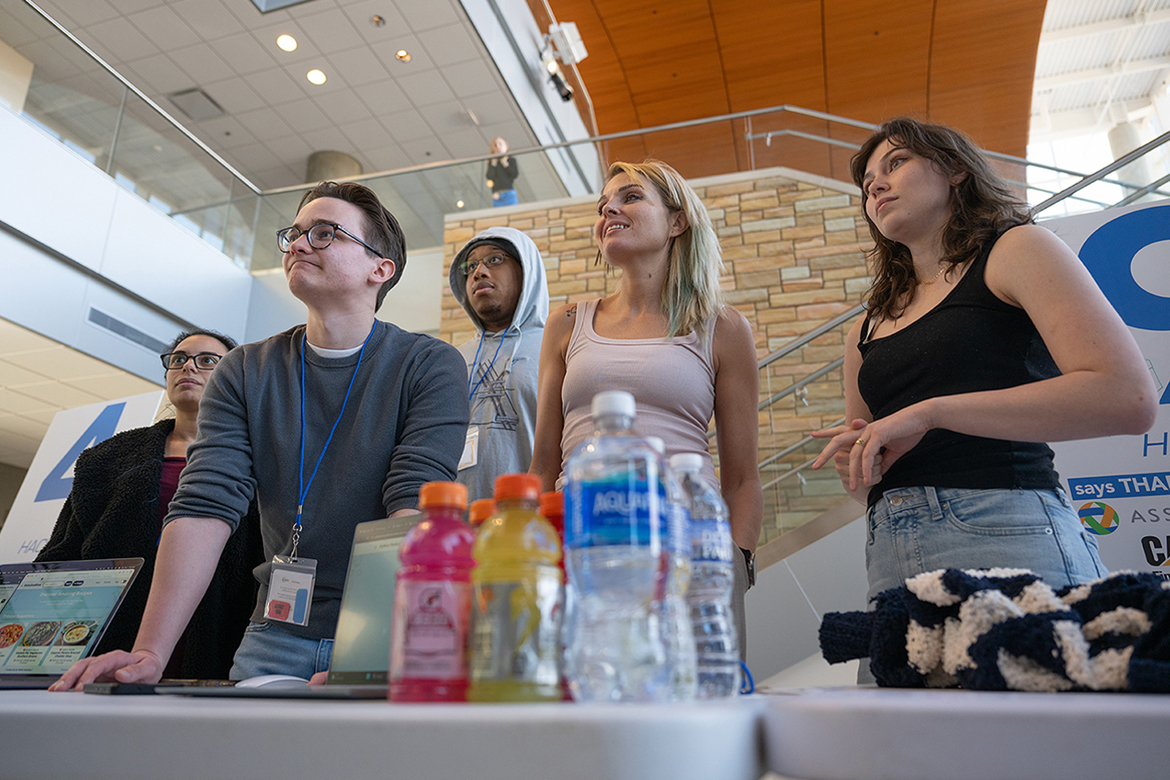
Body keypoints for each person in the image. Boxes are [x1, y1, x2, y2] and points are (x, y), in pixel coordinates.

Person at [51, 181, 469, 689]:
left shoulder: (429, 365)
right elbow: (206, 503)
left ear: (380, 269)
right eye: (293, 233)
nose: (297, 243)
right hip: (276, 631)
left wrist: (386, 648)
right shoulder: (244, 368)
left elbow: (416, 506)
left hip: (379, 627)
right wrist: (149, 653)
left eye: (323, 233)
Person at [810, 117, 1157, 605]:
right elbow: (867, 479)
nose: (877, 186)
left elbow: (1128, 397)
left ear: (954, 169)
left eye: (897, 162)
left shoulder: (1017, 248)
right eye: (867, 186)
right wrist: (860, 462)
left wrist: (930, 413)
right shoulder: (864, 329)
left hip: (1011, 529)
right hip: (891, 547)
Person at [528, 159, 763, 655]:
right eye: (602, 205)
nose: (609, 208)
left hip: (688, 547)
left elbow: (742, 478)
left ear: (677, 221)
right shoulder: (566, 324)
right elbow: (543, 462)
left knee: (694, 709)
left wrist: (736, 564)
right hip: (581, 542)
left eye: (631, 197)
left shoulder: (722, 328)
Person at [36, 330, 262, 680]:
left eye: (206, 361)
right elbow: (65, 551)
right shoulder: (106, 458)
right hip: (114, 632)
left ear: (233, 378)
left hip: (220, 630)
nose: (188, 367)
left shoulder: (262, 457)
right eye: (178, 359)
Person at [448, 227, 549, 501]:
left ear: (527, 270)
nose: (479, 272)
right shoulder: (450, 360)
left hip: (530, 523)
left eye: (495, 259)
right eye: (471, 266)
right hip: (458, 524)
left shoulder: (557, 348)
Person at [486, 137, 519, 207]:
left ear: (506, 147)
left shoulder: (511, 160)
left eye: (500, 144)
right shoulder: (492, 162)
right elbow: (489, 176)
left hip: (509, 192)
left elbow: (514, 174)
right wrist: (493, 165)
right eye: (495, 145)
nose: (498, 147)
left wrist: (506, 164)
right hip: (497, 195)